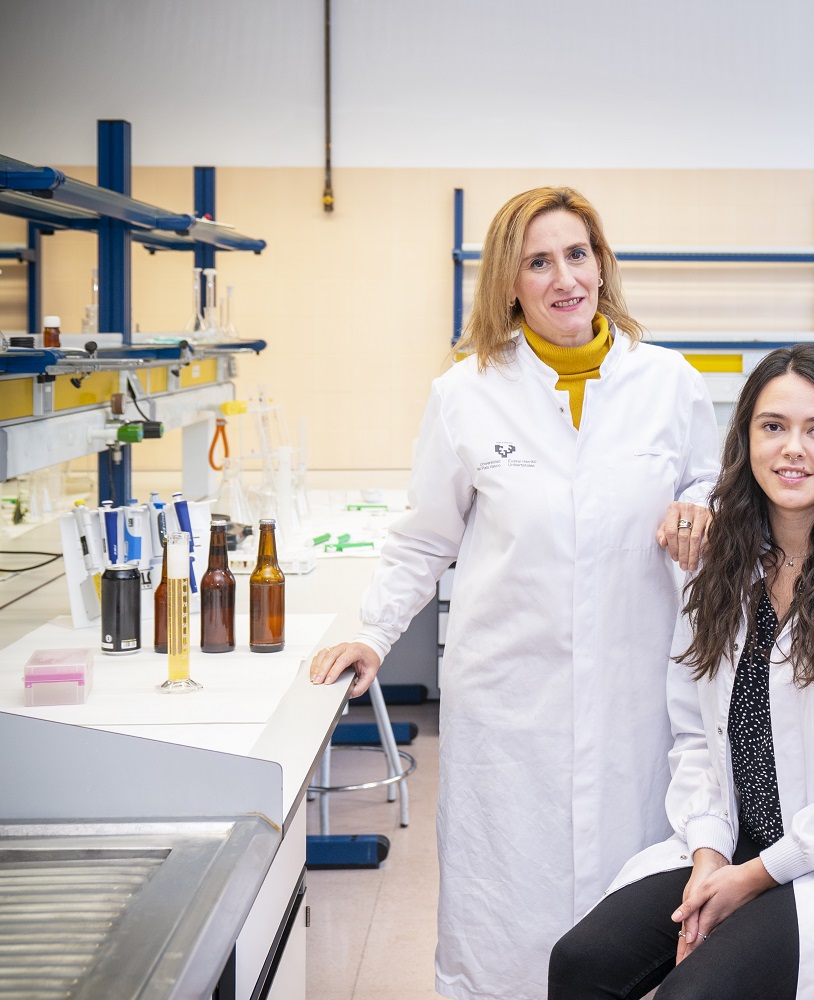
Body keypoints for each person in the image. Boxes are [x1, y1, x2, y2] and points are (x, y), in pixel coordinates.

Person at [309, 186, 720, 1000]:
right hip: (510, 704)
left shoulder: (668, 382)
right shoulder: (465, 393)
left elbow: (706, 481)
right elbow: (426, 536)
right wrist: (373, 632)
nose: (564, 278)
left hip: (635, 697)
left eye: (577, 255)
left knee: (630, 906)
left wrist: (702, 507)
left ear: (601, 265)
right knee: (505, 913)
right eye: (538, 262)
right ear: (508, 283)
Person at [548, 344, 814, 1000]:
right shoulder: (722, 565)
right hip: (734, 842)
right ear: (746, 439)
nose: (792, 449)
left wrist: (756, 875)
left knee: (695, 995)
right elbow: (695, 736)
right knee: (580, 962)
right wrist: (709, 853)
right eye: (773, 426)